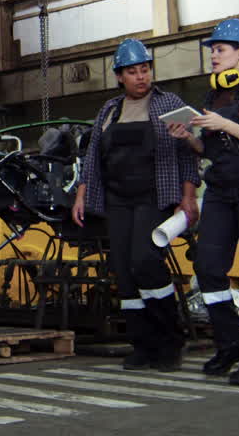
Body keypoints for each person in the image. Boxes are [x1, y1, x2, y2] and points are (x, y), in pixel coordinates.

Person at [169, 18, 239, 386]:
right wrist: (188, 138)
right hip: (220, 190)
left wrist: (225, 124)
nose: (214, 56)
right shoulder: (212, 97)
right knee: (207, 267)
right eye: (213, 50)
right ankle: (231, 343)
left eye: (220, 49)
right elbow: (210, 150)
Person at [73, 38, 200, 371]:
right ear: (119, 76)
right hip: (117, 200)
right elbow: (93, 156)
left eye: (145, 69)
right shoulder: (109, 110)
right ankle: (143, 345)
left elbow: (188, 154)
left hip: (154, 197)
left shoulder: (169, 103)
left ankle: (170, 341)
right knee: (124, 272)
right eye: (132, 72)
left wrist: (188, 197)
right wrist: (82, 193)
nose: (141, 77)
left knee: (145, 261)